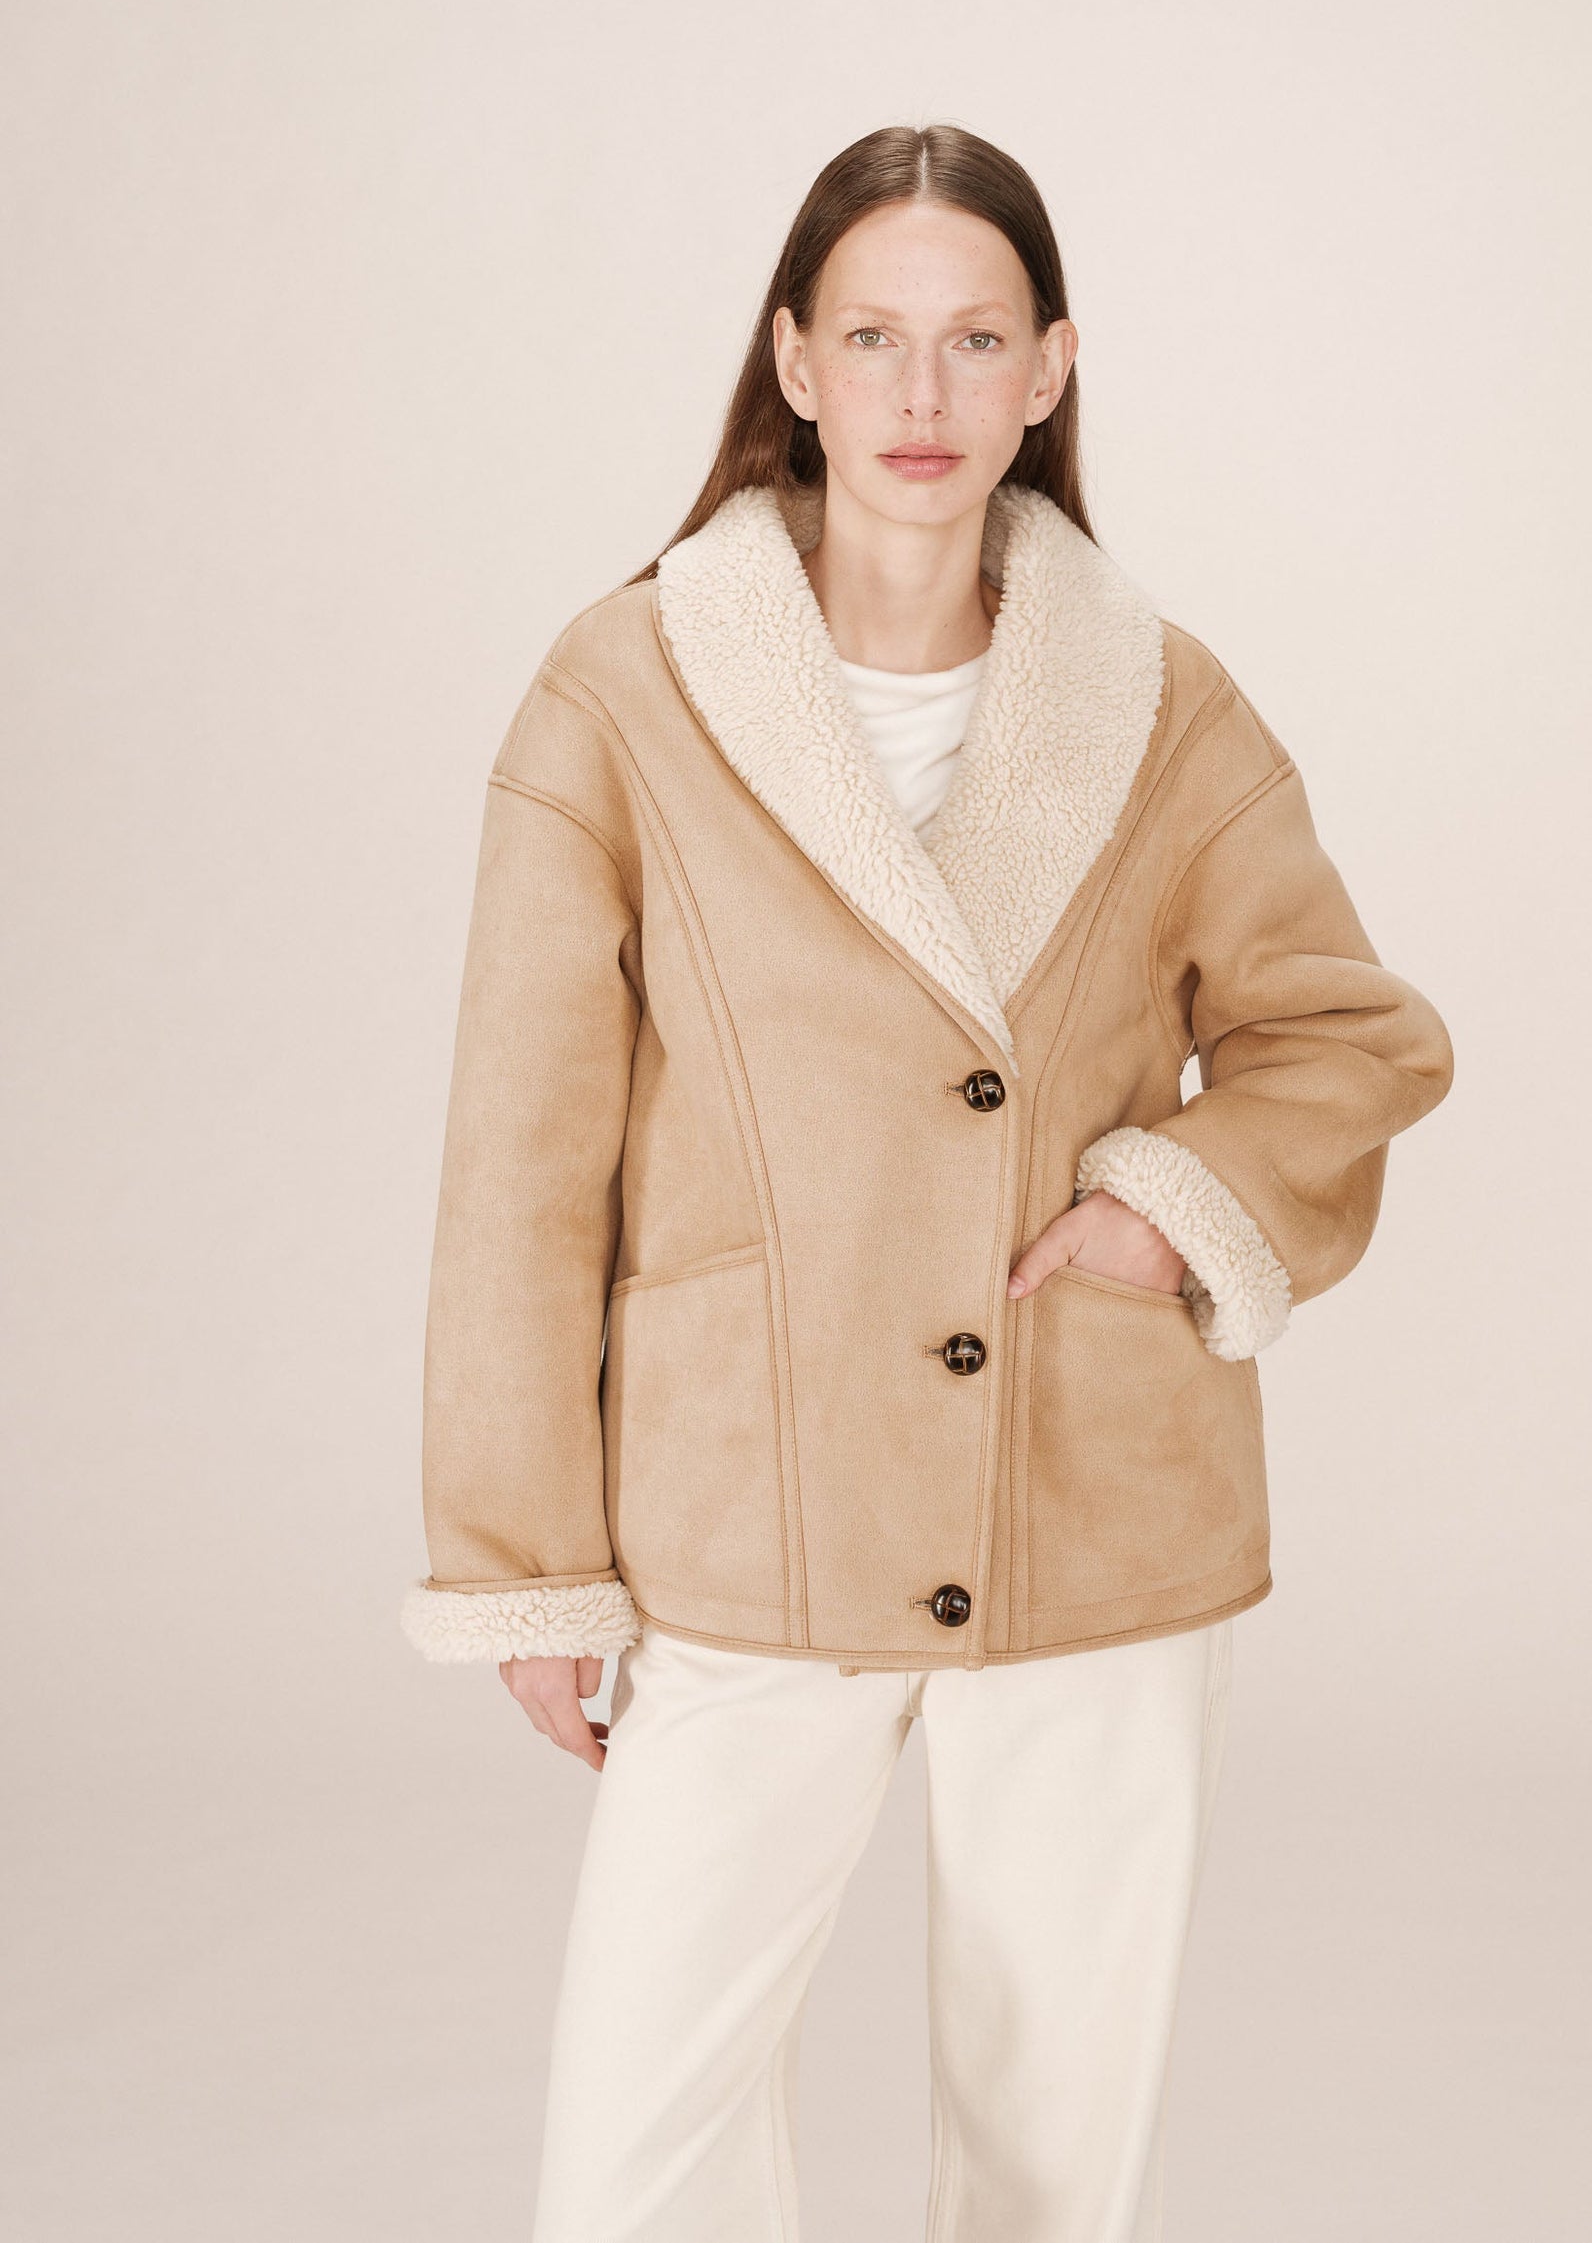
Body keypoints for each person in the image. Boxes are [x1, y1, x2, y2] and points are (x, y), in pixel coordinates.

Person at [401, 122, 1455, 2242]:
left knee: (1057, 2144)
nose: (921, 392)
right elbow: (523, 1157)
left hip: (1091, 1495)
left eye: (976, 340)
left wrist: (1169, 1203)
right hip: (749, 1494)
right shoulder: (626, 689)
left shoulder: (1159, 699)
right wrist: (527, 1560)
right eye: (873, 337)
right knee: (636, 2157)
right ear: (792, 360)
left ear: (1048, 369)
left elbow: (1350, 1032)